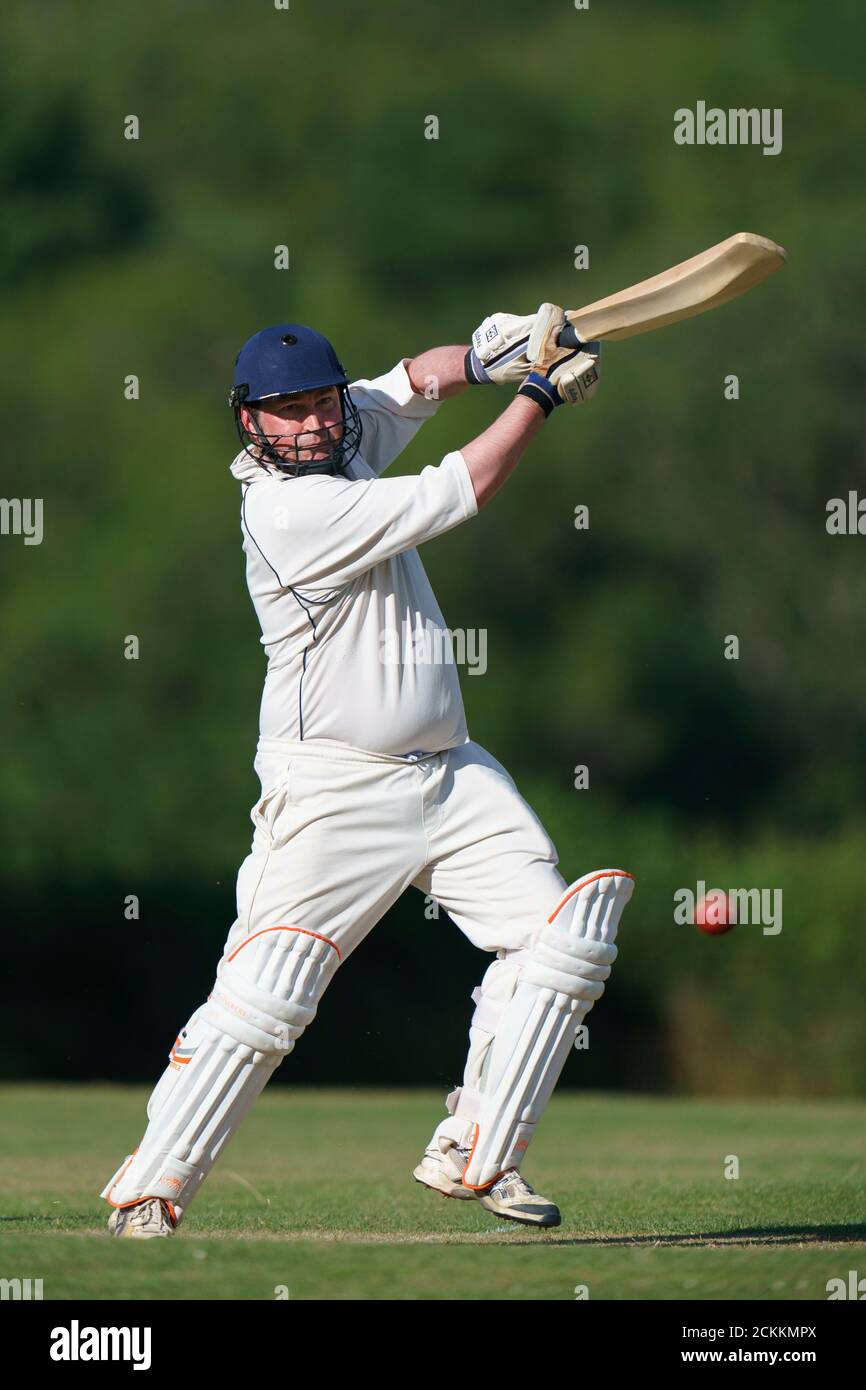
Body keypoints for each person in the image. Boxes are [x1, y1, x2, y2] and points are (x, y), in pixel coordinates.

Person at [100, 310, 634, 1238]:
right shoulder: (287, 511)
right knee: (266, 997)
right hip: (333, 789)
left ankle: (477, 1146)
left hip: (451, 774)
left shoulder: (344, 439)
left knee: (564, 942)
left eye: (320, 403)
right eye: (287, 411)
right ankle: (150, 1190)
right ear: (250, 422)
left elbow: (415, 379)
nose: (310, 423)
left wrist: (488, 356)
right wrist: (538, 393)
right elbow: (459, 488)